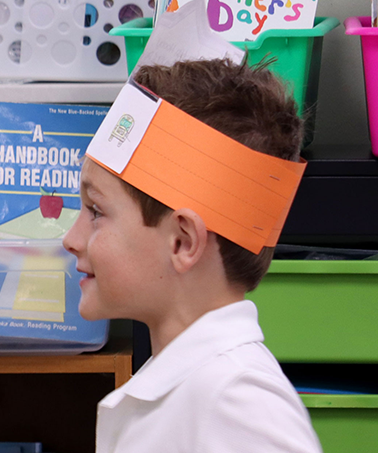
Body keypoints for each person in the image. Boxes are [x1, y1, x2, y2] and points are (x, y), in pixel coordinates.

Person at [64, 59, 321, 452]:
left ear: (183, 242)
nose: (71, 238)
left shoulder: (239, 405)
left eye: (96, 212)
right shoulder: (187, 383)